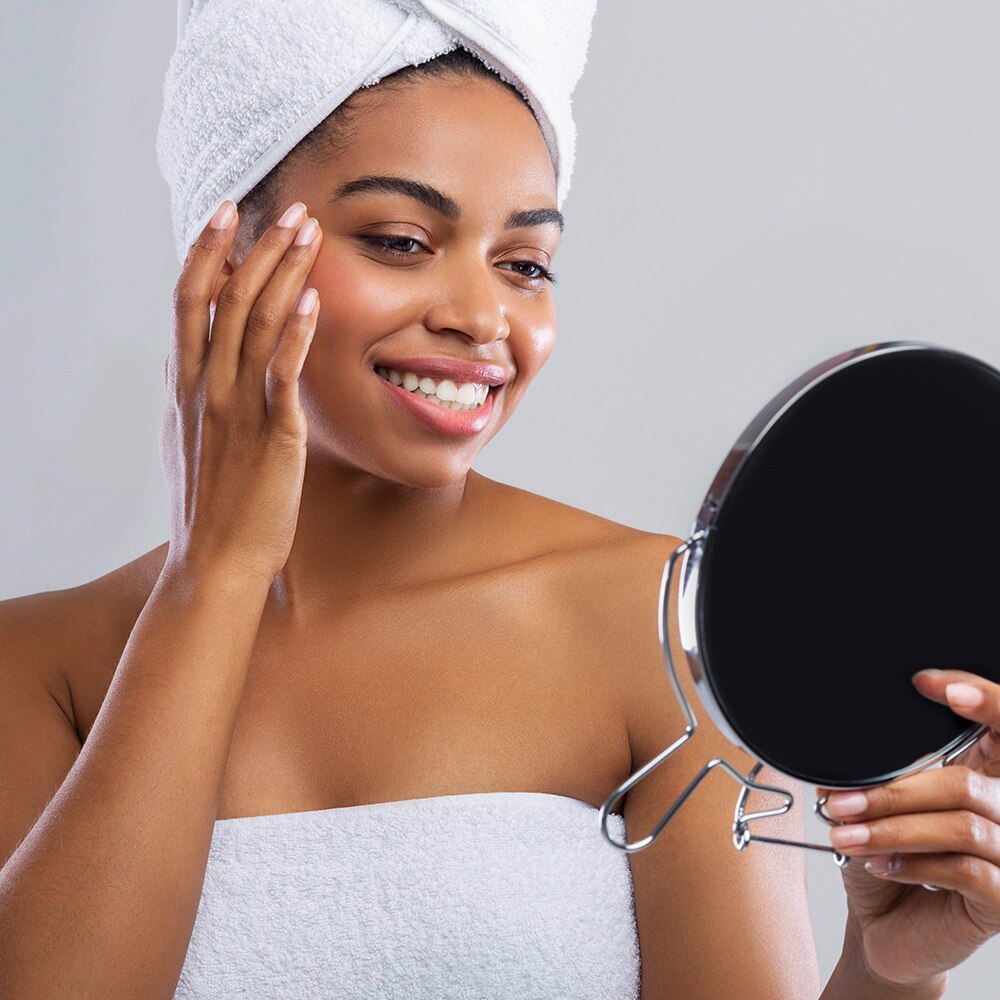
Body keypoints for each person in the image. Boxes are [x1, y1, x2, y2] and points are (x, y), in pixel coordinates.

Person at [1, 29, 999, 1000]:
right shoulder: (39, 665)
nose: (482, 319)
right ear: (226, 254)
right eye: (400, 241)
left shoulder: (663, 630)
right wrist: (212, 580)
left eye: (523, 263)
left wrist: (887, 977)